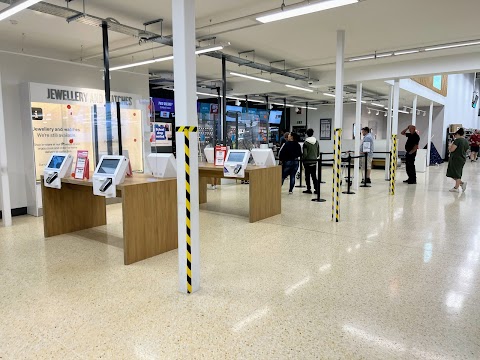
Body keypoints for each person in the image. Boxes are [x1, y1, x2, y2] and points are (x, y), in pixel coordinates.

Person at [446, 128, 469, 192]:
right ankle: (461, 183)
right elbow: (466, 150)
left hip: (456, 159)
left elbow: (452, 149)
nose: (454, 136)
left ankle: (456, 187)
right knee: (455, 173)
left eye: (455, 135)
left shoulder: (457, 141)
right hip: (462, 158)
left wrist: (450, 146)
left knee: (456, 173)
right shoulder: (466, 141)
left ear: (458, 134)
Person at [302, 128, 320, 194]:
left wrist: (303, 159)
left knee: (307, 176)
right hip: (314, 161)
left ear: (307, 134)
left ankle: (308, 189)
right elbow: (318, 152)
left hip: (307, 162)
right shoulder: (316, 141)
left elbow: (305, 154)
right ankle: (316, 189)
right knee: (314, 176)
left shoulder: (306, 143)